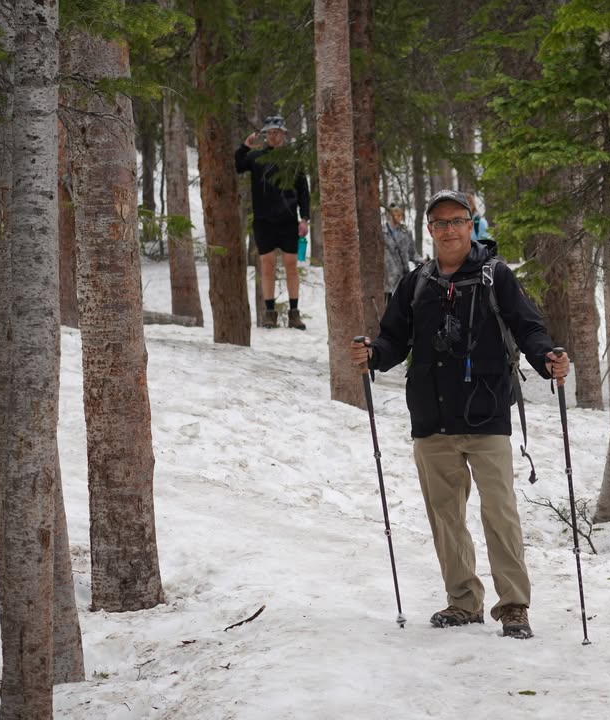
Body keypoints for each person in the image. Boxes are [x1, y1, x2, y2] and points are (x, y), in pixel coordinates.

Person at [350, 189, 569, 640]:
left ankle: (513, 607)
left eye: (457, 221)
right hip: (431, 418)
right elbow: (393, 340)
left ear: (471, 225)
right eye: (440, 223)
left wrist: (547, 357)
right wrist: (372, 355)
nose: (449, 229)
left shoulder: (496, 276)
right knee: (445, 515)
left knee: (500, 513)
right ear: (429, 230)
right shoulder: (416, 284)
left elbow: (529, 327)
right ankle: (463, 601)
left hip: (486, 413)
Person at [235, 115, 310, 329]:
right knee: (267, 266)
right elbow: (239, 165)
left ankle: (294, 313)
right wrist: (245, 146)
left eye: (278, 132)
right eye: (270, 132)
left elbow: (304, 191)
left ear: (284, 134)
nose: (274, 136)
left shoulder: (293, 159)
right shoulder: (257, 157)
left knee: (290, 265)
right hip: (263, 221)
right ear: (266, 135)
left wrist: (304, 218)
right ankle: (270, 313)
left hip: (288, 221)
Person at [383, 204, 421, 304]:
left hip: (403, 279)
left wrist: (422, 261)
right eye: (395, 214)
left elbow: (412, 254)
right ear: (389, 215)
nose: (397, 217)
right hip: (386, 282)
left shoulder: (406, 232)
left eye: (400, 214)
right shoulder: (381, 232)